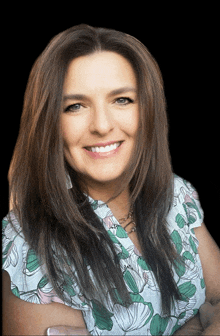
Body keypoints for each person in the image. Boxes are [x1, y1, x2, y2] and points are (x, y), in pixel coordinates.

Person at [2, 24, 220, 336]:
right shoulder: (27, 245)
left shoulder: (176, 194)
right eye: (75, 106)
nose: (102, 126)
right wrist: (202, 326)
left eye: (122, 100)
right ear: (50, 122)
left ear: (147, 110)